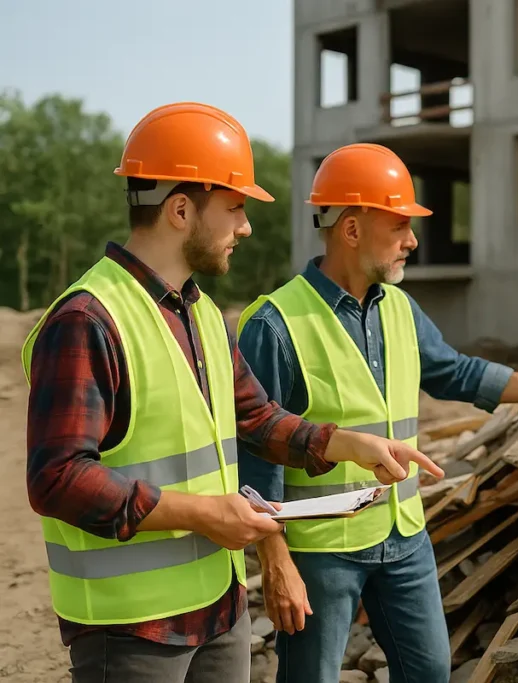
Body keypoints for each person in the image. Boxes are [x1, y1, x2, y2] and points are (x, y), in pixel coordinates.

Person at [21, 105, 443, 683]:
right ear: (180, 209)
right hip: (132, 633)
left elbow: (259, 419)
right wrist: (202, 515)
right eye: (236, 208)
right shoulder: (89, 319)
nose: (245, 227)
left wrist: (349, 444)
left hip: (218, 612)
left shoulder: (201, 315)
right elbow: (57, 478)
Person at [236, 142, 518, 683]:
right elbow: (257, 456)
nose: (412, 240)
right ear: (351, 228)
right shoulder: (276, 324)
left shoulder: (400, 309)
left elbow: (454, 372)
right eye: (399, 225)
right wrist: (276, 563)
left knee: (430, 672)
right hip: (323, 552)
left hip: (402, 535)